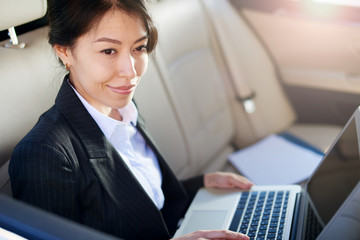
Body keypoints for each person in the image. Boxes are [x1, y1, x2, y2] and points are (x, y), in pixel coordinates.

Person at [9, 0, 253, 239]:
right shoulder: (43, 154)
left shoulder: (122, 109)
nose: (131, 71)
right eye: (108, 51)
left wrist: (201, 185)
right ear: (65, 52)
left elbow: (139, 205)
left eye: (139, 48)